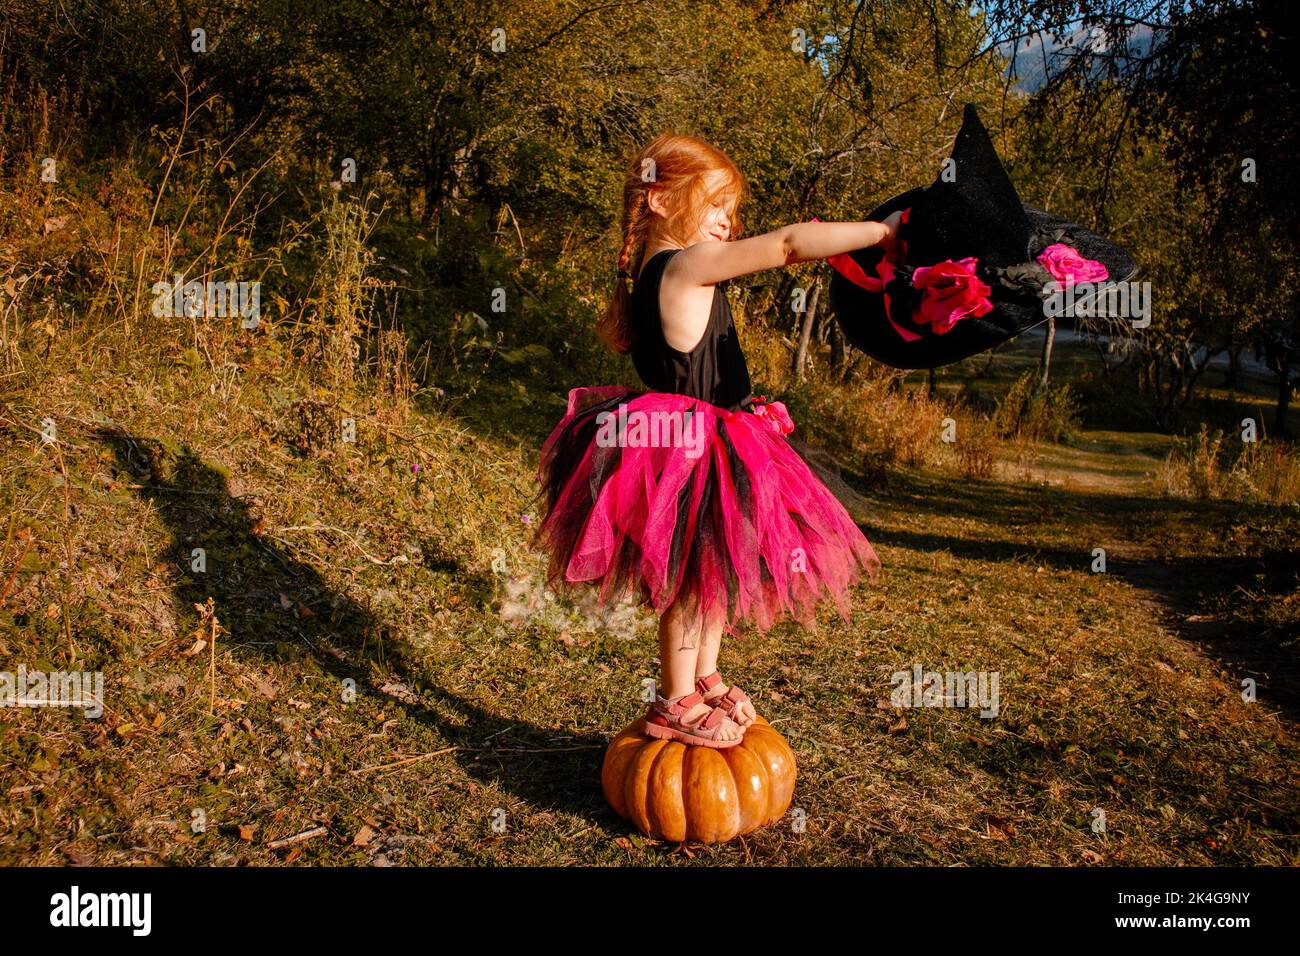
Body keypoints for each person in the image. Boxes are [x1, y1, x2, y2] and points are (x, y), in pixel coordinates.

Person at [531, 133, 900, 748]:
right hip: (689, 446)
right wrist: (879, 234)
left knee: (710, 569)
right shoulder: (682, 266)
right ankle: (674, 697)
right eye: (715, 205)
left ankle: (703, 676)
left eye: (732, 211)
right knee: (688, 575)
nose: (728, 223)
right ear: (658, 200)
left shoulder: (665, 270)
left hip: (706, 439)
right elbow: (787, 244)